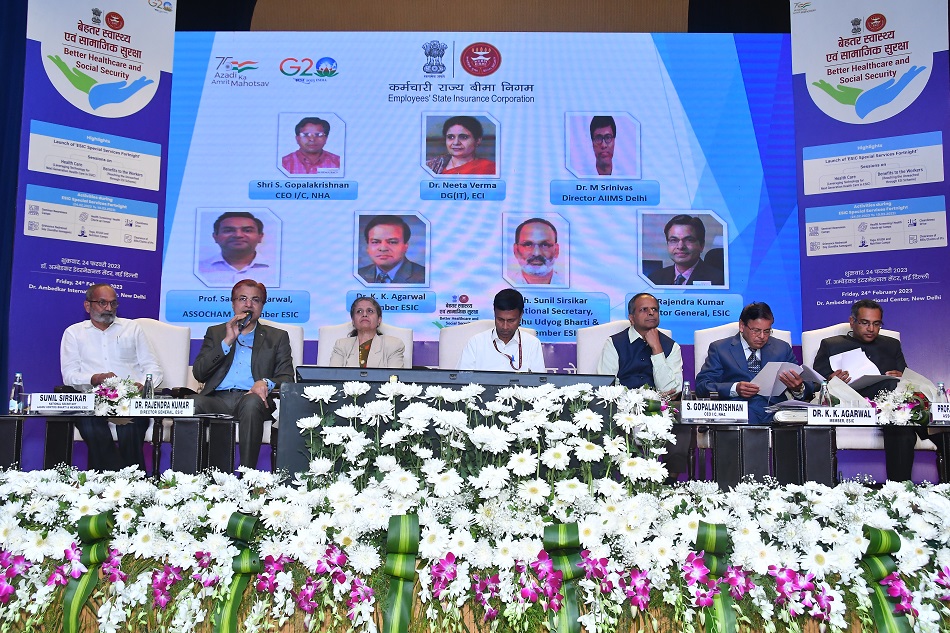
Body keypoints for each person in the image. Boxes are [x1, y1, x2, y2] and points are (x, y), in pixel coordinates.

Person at [192, 279, 294, 469]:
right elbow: (199, 373)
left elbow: (287, 378)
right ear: (233, 304)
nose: (248, 304)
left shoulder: (277, 337)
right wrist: (227, 342)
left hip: (252, 399)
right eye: (242, 299)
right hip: (217, 399)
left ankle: (248, 475)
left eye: (255, 300)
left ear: (262, 306)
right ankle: (189, 476)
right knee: (192, 403)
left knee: (251, 403)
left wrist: (265, 382)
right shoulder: (216, 332)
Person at [60, 283, 163, 471]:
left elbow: (153, 368)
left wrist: (143, 384)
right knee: (91, 424)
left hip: (129, 401)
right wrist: (95, 378)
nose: (109, 308)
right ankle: (124, 478)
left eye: (113, 303)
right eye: (102, 303)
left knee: (131, 425)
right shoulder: (74, 333)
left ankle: (121, 479)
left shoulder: (132, 328)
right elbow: (69, 375)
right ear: (88, 305)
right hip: (91, 400)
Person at [813, 299, 912, 481]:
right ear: (852, 321)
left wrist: (901, 376)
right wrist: (831, 380)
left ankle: (899, 487)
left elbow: (907, 379)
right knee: (903, 420)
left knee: (902, 426)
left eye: (876, 324)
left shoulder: (891, 345)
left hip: (887, 410)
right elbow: (815, 383)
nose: (871, 329)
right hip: (849, 405)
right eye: (865, 323)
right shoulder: (831, 345)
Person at [598, 293, 690, 481]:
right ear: (631, 318)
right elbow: (606, 385)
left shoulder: (671, 347)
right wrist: (632, 400)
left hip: (658, 407)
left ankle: (669, 481)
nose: (651, 313)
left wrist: (657, 349)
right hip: (624, 407)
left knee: (680, 419)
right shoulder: (614, 343)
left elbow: (671, 390)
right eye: (644, 309)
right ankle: (625, 480)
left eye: (655, 309)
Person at [695, 302, 812, 424]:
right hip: (739, 413)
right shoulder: (720, 349)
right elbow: (702, 386)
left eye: (767, 331)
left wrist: (798, 388)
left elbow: (806, 385)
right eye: (756, 331)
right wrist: (735, 388)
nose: (762, 336)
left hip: (776, 414)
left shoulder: (782, 348)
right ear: (742, 326)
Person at [458, 289, 546, 372]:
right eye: (500, 320)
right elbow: (461, 378)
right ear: (494, 313)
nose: (505, 327)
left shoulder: (532, 344)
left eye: (511, 321)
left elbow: (538, 381)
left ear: (521, 316)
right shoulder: (476, 343)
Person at [198, 211, 277, 287]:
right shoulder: (198, 269)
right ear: (215, 237)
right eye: (228, 231)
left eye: (247, 230)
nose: (238, 235)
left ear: (260, 237)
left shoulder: (277, 270)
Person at [647, 215, 724, 286]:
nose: (680, 246)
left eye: (689, 240)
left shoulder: (719, 280)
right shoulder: (654, 279)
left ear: (701, 245)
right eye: (674, 240)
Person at [329, 297, 405, 368]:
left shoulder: (393, 345)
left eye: (370, 311)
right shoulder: (341, 346)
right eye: (359, 311)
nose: (364, 314)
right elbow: (333, 375)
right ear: (353, 320)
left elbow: (394, 377)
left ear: (379, 320)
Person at [357, 215, 426, 284]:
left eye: (392, 242)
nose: (383, 248)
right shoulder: (357, 275)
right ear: (368, 247)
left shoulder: (425, 277)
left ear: (405, 246)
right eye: (375, 242)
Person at [426, 116, 496, 176]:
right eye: (451, 137)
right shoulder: (431, 167)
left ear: (477, 140)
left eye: (463, 137)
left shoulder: (489, 168)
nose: (456, 143)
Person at [512, 218, 562, 285]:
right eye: (528, 244)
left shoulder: (572, 285)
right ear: (516, 250)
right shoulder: (503, 285)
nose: (536, 253)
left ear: (556, 250)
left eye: (545, 245)